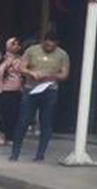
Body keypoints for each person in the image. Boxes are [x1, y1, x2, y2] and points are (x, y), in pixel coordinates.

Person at [11, 31, 70, 163]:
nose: (49, 46)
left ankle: (40, 154)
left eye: (52, 44)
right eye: (47, 43)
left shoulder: (62, 55)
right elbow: (21, 67)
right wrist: (31, 73)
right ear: (43, 41)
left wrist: (51, 76)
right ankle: (15, 153)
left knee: (46, 121)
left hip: (50, 89)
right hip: (31, 88)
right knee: (23, 120)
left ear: (57, 44)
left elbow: (64, 74)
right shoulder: (32, 50)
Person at [0, 37, 27, 147]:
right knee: (5, 114)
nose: (16, 46)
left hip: (18, 90)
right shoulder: (4, 59)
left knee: (15, 114)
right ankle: (5, 135)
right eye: (13, 44)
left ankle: (12, 136)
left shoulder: (21, 59)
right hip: (5, 90)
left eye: (17, 44)